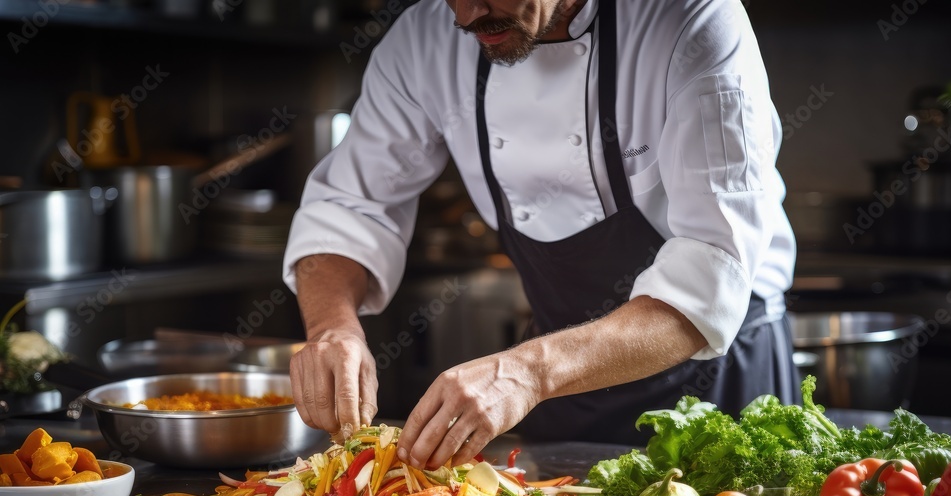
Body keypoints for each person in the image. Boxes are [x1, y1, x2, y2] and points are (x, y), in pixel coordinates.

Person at [282, 0, 798, 470]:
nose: (467, 16)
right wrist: (333, 328)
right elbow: (350, 203)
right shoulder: (424, 38)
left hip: (714, 384)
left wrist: (527, 372)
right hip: (562, 388)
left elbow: (709, 275)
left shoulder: (691, 19)